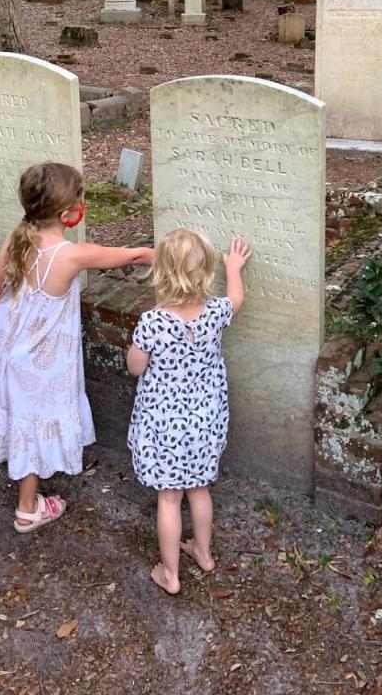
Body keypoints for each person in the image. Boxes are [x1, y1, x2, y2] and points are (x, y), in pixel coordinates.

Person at [0, 161, 154, 533]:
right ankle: (27, 508)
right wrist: (171, 253)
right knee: (32, 422)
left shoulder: (17, 237)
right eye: (80, 198)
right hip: (37, 358)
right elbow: (132, 255)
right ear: (66, 211)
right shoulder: (70, 255)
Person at [126, 230, 251, 594]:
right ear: (205, 273)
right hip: (205, 421)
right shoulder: (214, 313)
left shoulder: (152, 323)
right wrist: (234, 268)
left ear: (161, 273)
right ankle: (203, 551)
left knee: (169, 497)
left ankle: (170, 573)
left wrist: (137, 351)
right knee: (199, 489)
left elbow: (136, 367)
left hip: (164, 425)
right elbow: (236, 299)